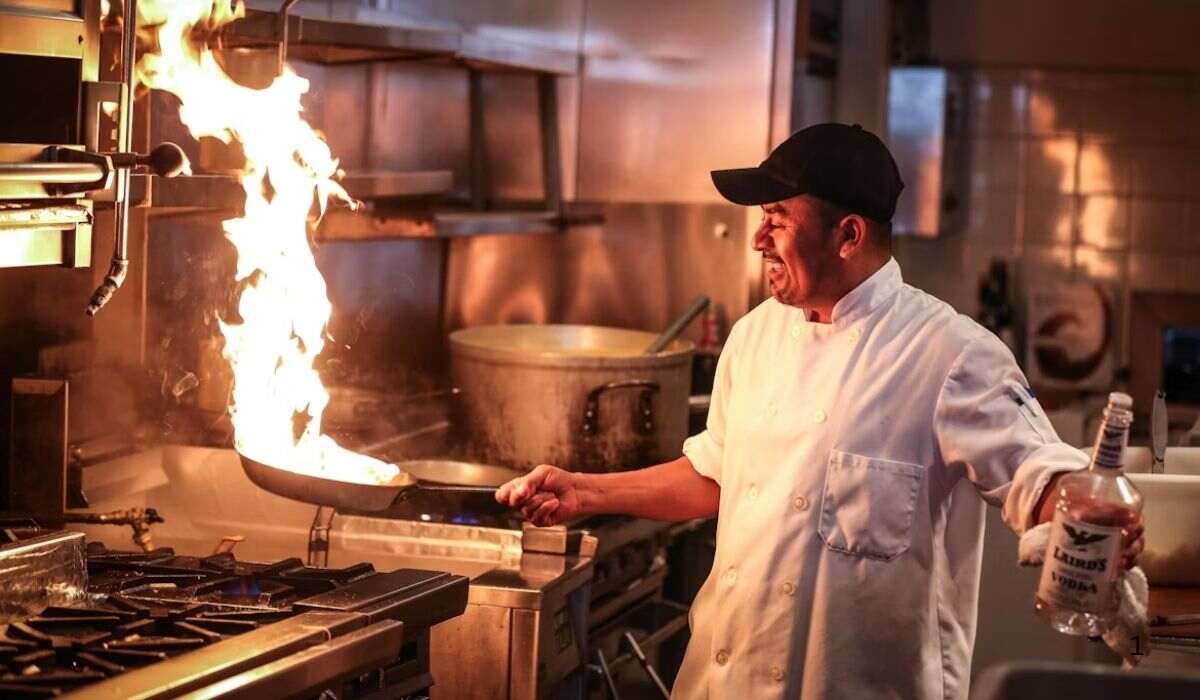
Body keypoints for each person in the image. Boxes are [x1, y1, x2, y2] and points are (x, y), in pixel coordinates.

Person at [495, 123, 1144, 699]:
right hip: (722, 681)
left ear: (848, 235)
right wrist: (583, 491)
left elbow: (1038, 473)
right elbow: (719, 478)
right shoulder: (754, 337)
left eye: (777, 217)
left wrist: (1078, 501)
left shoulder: (948, 355)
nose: (757, 239)